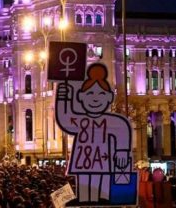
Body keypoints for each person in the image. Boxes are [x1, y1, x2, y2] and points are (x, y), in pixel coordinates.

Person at [56, 63, 132, 203]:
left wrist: (122, 151)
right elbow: (64, 117)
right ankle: (88, 202)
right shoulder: (79, 119)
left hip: (102, 159)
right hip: (83, 160)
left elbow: (123, 127)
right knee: (84, 190)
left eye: (101, 94)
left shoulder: (110, 120)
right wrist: (62, 96)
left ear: (109, 97)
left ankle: (101, 202)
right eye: (90, 93)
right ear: (80, 96)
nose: (96, 98)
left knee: (102, 190)